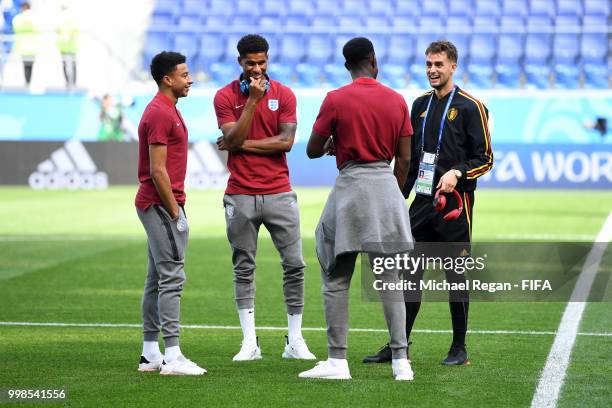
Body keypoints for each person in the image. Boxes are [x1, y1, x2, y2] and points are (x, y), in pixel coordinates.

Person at [363, 40, 493, 366]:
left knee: (456, 278)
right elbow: (411, 158)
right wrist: (395, 197)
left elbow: (485, 159)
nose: (432, 70)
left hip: (454, 206)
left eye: (438, 65)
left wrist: (457, 172)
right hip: (421, 203)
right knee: (408, 276)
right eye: (428, 65)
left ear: (453, 67)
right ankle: (398, 345)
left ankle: (459, 348)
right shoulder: (418, 105)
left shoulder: (470, 106)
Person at [298, 37, 414, 381]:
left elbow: (312, 150)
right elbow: (405, 157)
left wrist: (335, 142)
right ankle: (401, 362)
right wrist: (393, 194)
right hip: (385, 185)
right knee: (390, 280)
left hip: (350, 188)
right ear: (373, 62)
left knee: (336, 276)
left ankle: (337, 361)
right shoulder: (396, 100)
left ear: (347, 66)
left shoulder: (336, 99)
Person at [214, 34, 315, 361]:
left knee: (295, 265)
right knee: (243, 267)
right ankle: (249, 343)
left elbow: (286, 142)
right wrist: (253, 103)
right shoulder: (224, 96)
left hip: (279, 191)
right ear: (240, 62)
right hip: (240, 193)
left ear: (268, 60)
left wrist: (237, 144)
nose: (257, 69)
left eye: (261, 63)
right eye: (250, 63)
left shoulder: (284, 94)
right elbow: (232, 134)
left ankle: (295, 340)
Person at [135, 51, 205, 375]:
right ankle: (173, 357)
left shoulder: (166, 109)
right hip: (161, 204)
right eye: (184, 74)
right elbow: (158, 171)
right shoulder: (160, 113)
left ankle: (150, 354)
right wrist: (177, 212)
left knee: (155, 279)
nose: (189, 79)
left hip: (158, 203)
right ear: (168, 79)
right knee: (173, 277)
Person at [11, 2, 38, 86]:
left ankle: (27, 82)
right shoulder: (34, 17)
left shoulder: (18, 18)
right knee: (31, 65)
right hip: (33, 45)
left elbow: (14, 28)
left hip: (23, 45)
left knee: (25, 65)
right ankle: (29, 82)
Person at [56, 3, 79, 89]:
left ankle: (68, 82)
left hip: (63, 45)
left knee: (65, 64)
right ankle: (73, 82)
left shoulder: (59, 19)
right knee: (72, 64)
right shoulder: (73, 19)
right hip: (71, 45)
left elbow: (57, 30)